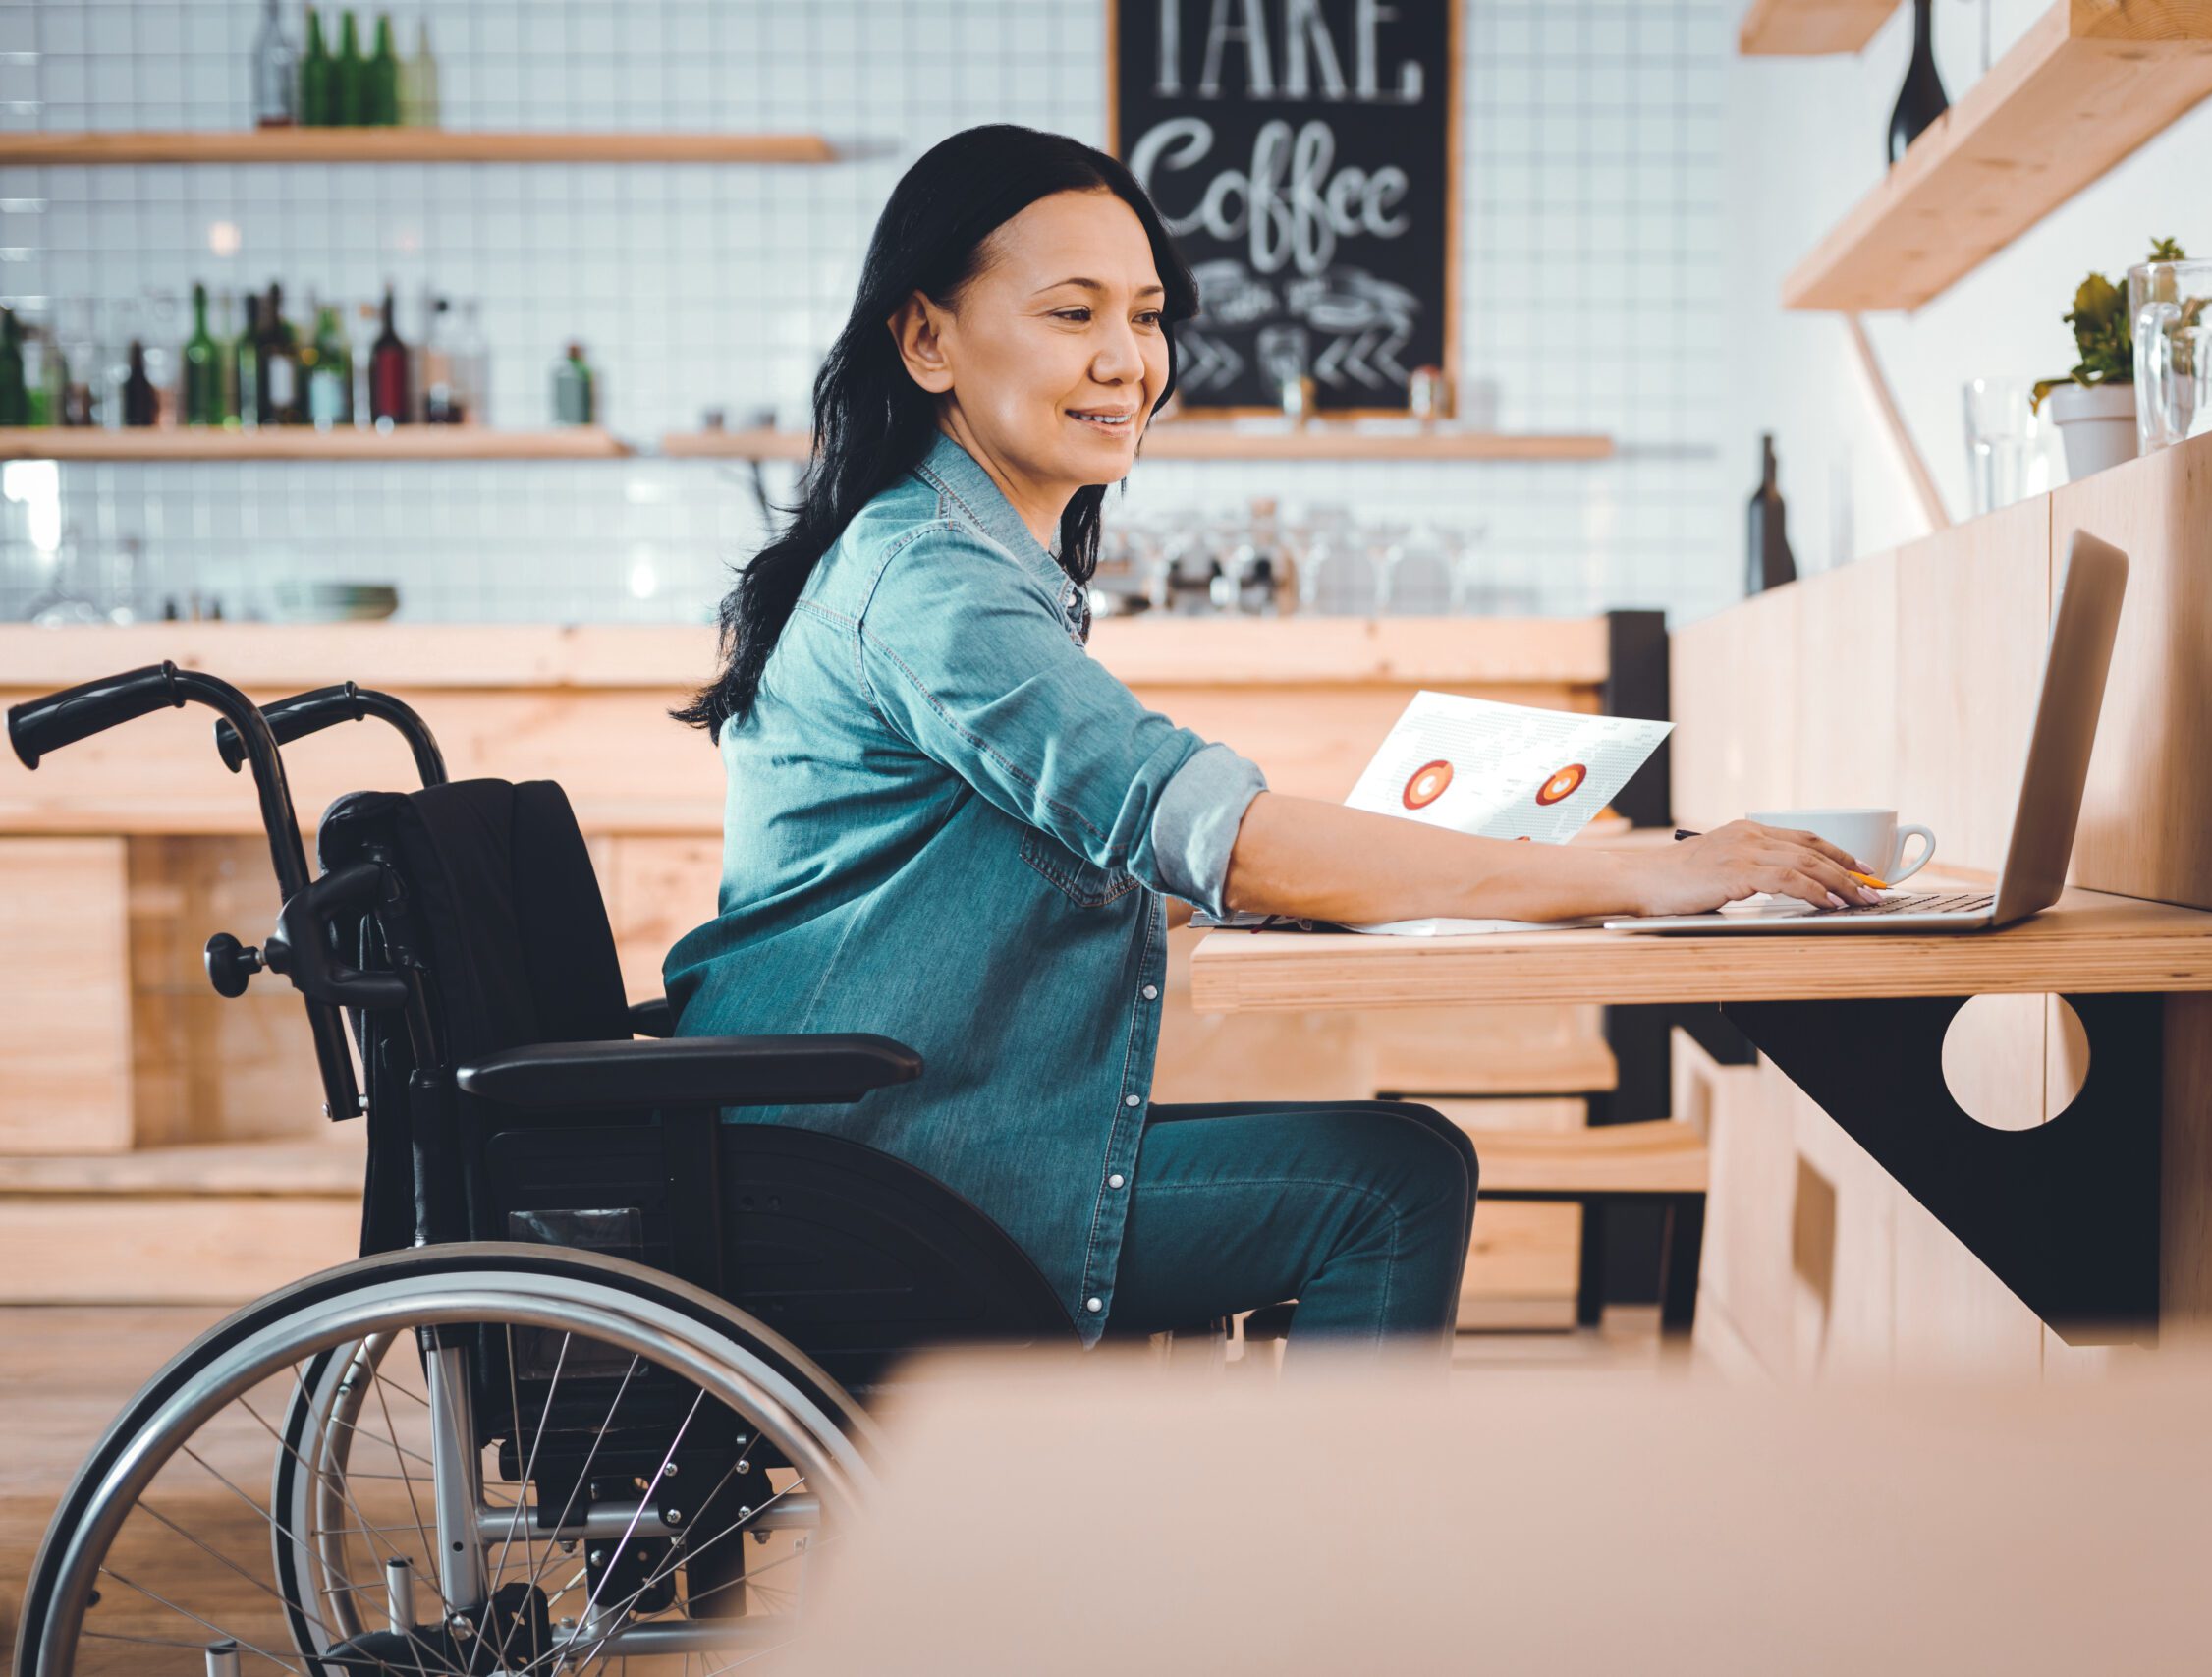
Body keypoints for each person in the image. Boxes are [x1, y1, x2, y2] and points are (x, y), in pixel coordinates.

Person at [665, 124, 1867, 1363]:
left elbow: (1039, 863)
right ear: (927, 338)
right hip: (864, 1183)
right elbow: (1212, 835)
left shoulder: (950, 559)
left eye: (1145, 317)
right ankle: (1312, 1505)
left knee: (1392, 1160)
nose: (1127, 361)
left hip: (877, 1151)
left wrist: (1324, 876)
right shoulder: (935, 584)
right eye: (1072, 314)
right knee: (1387, 1186)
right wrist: (1644, 874)